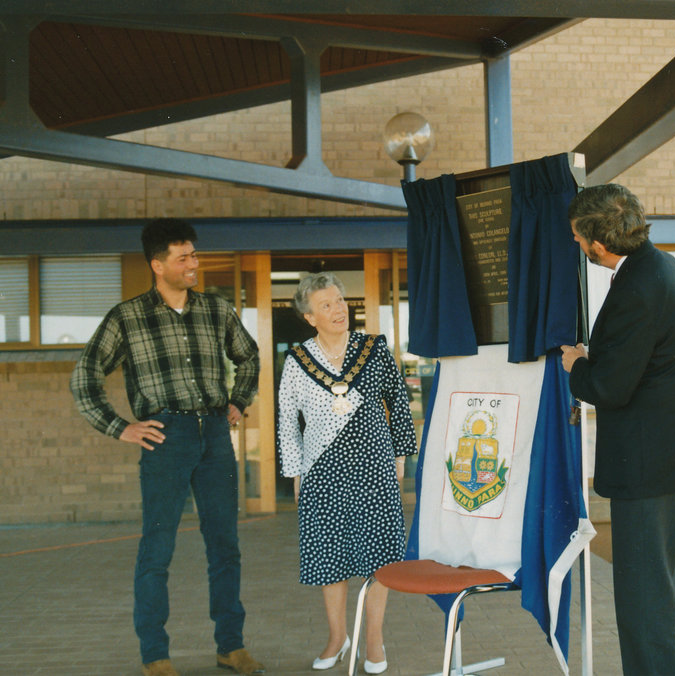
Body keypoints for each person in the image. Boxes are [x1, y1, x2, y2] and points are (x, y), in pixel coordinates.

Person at [69, 218, 264, 676]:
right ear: (158, 266)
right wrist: (121, 427)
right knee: (157, 550)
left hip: (214, 435)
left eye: (194, 255)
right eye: (183, 258)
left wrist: (238, 401)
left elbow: (249, 356)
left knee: (225, 546)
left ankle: (230, 647)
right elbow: (85, 377)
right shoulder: (127, 318)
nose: (194, 264)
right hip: (165, 437)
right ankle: (155, 656)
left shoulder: (216, 310)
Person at [560, 184, 675, 675]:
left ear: (598, 242)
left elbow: (610, 387)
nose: (576, 246)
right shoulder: (662, 266)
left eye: (576, 238)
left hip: (650, 464)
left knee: (644, 603)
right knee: (672, 589)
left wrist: (576, 366)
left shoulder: (635, 288)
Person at [277, 272, 417, 674]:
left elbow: (399, 401)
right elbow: (287, 420)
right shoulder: (297, 360)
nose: (338, 310)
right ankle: (338, 638)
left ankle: (373, 639)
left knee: (378, 557)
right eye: (326, 305)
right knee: (330, 557)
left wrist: (401, 455)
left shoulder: (373, 348)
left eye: (340, 300)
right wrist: (295, 473)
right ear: (309, 317)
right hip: (322, 469)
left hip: (374, 463)